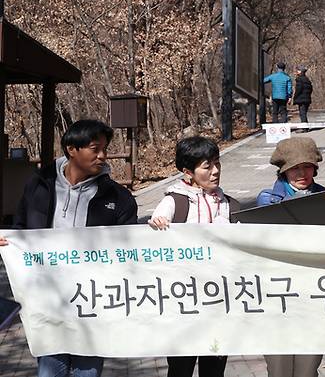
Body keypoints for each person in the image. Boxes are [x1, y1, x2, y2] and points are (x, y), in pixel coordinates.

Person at [0, 119, 138, 377]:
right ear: (71, 149)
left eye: (105, 149)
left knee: (87, 373)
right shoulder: (39, 185)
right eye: (95, 149)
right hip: (47, 298)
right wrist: (10, 243)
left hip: (94, 303)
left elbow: (130, 248)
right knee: (49, 372)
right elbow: (21, 227)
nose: (103, 156)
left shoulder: (118, 197)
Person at [148, 136, 239, 377]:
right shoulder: (173, 201)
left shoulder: (227, 203)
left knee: (214, 366)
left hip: (219, 300)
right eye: (207, 166)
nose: (216, 171)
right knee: (180, 367)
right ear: (188, 172)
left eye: (217, 163)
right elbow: (155, 233)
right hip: (183, 302)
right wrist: (158, 223)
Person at [255, 136, 325, 377]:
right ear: (283, 171)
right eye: (295, 168)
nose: (302, 173)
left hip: (315, 295)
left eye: (307, 166)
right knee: (279, 370)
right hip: (276, 297)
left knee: (308, 370)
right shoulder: (267, 199)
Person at [293, 65, 313, 130]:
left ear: (300, 72)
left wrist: (295, 97)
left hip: (301, 99)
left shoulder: (299, 79)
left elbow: (298, 89)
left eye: (298, 70)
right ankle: (306, 127)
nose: (297, 71)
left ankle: (304, 128)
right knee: (304, 113)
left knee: (302, 113)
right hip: (307, 99)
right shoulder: (307, 80)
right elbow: (311, 89)